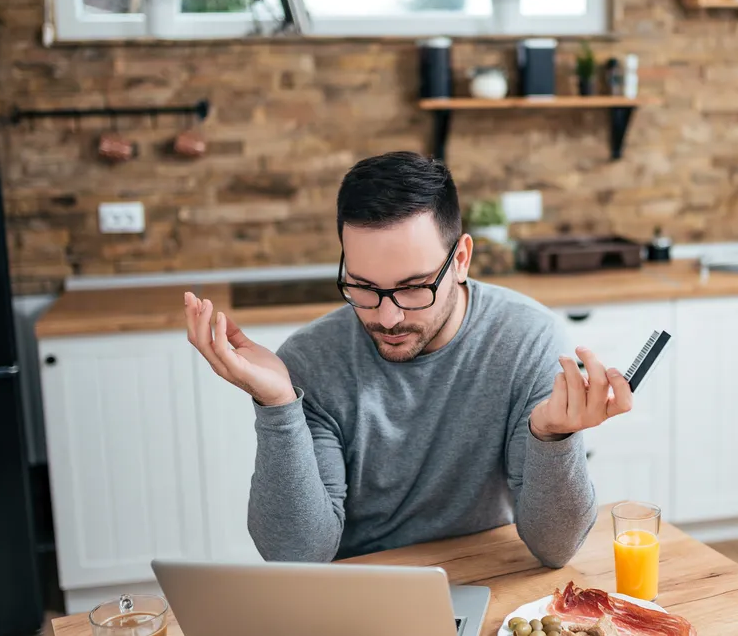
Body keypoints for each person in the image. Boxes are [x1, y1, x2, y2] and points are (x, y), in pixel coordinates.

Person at [182, 151, 633, 568]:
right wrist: (279, 406)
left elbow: (555, 548)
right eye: (362, 286)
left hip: (484, 572)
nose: (387, 316)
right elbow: (295, 555)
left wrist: (552, 438)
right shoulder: (310, 360)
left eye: (414, 287)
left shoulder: (525, 339)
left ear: (461, 259)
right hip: (363, 591)